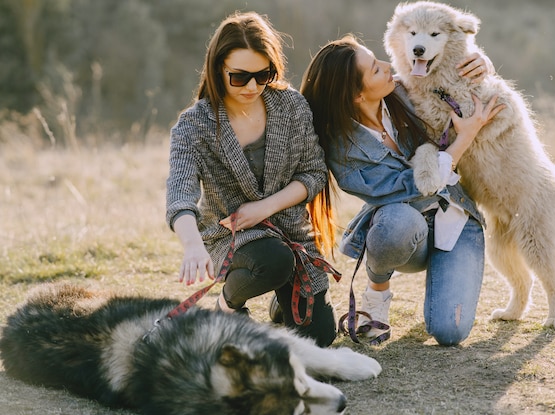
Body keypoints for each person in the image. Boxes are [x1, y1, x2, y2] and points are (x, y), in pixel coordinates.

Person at [301, 35, 504, 346]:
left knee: (450, 332)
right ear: (356, 95)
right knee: (395, 221)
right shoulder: (343, 152)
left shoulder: (408, 90)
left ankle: (444, 280)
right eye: (375, 70)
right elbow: (416, 189)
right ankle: (376, 297)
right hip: (406, 229)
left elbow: (458, 79)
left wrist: (483, 63)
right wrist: (465, 138)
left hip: (456, 217)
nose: (387, 67)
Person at [165, 12, 337, 347]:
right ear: (219, 69)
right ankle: (226, 307)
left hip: (292, 234)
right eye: (240, 77)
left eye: (263, 75)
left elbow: (314, 172)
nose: (253, 87)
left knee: (319, 339)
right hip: (231, 238)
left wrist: (264, 208)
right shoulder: (195, 124)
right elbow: (179, 194)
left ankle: (281, 299)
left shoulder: (291, 106)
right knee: (272, 260)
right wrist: (192, 246)